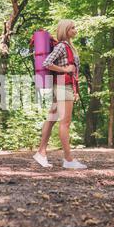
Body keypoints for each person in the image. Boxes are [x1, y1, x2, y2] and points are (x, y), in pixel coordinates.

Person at [33, 20, 87, 169]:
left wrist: (75, 89)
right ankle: (68, 160)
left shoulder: (70, 46)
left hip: (65, 87)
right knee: (65, 123)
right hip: (63, 86)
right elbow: (46, 63)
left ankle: (41, 153)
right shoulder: (62, 46)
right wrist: (65, 70)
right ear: (66, 30)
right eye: (73, 28)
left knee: (51, 118)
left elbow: (74, 69)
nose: (75, 30)